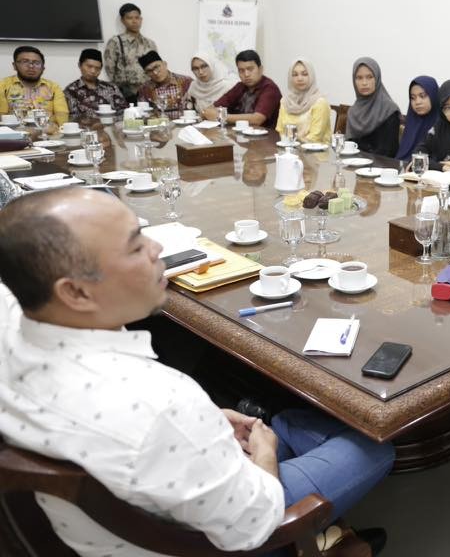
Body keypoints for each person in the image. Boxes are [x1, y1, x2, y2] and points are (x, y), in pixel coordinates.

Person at [0, 188, 395, 557]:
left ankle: (284, 430)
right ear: (75, 292)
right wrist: (263, 455)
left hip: (105, 516)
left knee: (284, 419)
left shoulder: (12, 327)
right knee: (375, 445)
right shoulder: (162, 403)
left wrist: (203, 425)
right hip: (213, 531)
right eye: (136, 246)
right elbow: (255, 525)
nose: (157, 249)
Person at [204, 49, 282, 129]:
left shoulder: (270, 88)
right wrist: (208, 112)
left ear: (260, 69)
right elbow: (213, 108)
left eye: (250, 69)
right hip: (238, 133)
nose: (246, 74)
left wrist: (221, 116)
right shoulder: (240, 86)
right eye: (241, 71)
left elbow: (257, 119)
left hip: (265, 135)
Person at [103, 3, 158, 104]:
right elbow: (110, 70)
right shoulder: (115, 42)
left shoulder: (150, 44)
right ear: (122, 20)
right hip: (125, 94)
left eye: (137, 17)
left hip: (148, 92)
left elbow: (156, 67)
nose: (134, 21)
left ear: (141, 19)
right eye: (129, 18)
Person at [345, 57, 400, 157]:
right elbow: (348, 145)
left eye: (369, 77)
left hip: (381, 164)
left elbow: (388, 152)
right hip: (353, 162)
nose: (364, 83)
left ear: (377, 78)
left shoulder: (389, 110)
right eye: (359, 78)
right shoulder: (353, 111)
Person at [0, 46, 69, 124]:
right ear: (14, 66)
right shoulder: (3, 86)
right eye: (25, 62)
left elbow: (62, 117)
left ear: (43, 68)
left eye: (37, 63)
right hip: (14, 131)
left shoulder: (53, 88)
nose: (31, 66)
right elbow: (2, 118)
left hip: (47, 130)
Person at [277, 58, 332, 144]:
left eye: (305, 74)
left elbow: (315, 138)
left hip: (316, 151)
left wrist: (292, 144)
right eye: (295, 75)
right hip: (288, 149)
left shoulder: (320, 103)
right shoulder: (285, 102)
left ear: (311, 76)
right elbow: (281, 131)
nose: (300, 78)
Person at [63, 49, 127, 118]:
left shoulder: (111, 88)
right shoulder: (71, 91)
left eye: (97, 68)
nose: (93, 71)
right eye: (89, 66)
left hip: (112, 124)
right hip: (84, 125)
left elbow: (125, 112)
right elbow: (73, 117)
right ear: (80, 65)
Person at [136, 51, 193, 118]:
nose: (155, 73)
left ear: (165, 64)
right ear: (146, 74)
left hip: (186, 123)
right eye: (149, 71)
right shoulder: (144, 89)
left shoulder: (186, 82)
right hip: (158, 124)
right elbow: (143, 115)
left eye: (156, 67)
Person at [395, 76, 439, 161]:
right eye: (413, 98)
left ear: (433, 96)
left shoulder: (442, 124)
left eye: (422, 96)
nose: (417, 102)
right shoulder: (411, 121)